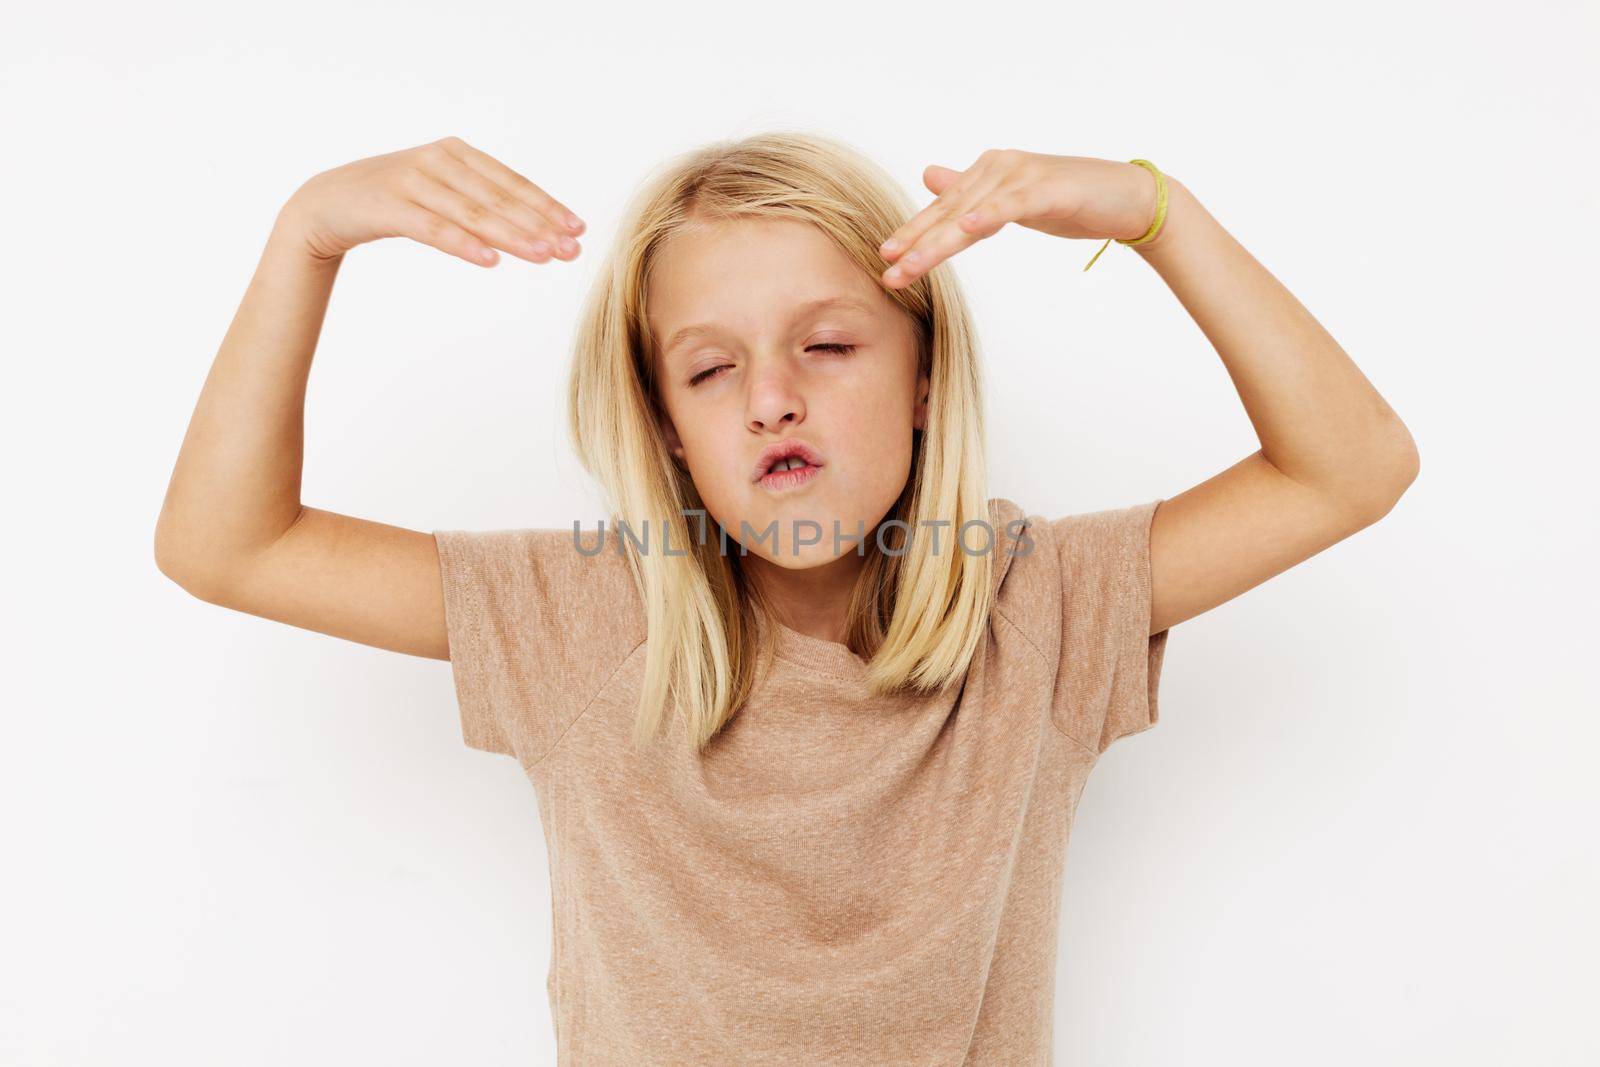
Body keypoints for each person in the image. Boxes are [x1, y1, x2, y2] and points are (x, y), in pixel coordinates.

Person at [154, 131, 1419, 1064]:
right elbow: (227, 545)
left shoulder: (1037, 604)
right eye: (711, 368)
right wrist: (306, 233)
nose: (770, 395)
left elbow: (1349, 466)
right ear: (667, 430)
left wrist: (1158, 214)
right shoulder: (581, 611)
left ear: (925, 376)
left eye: (826, 344)